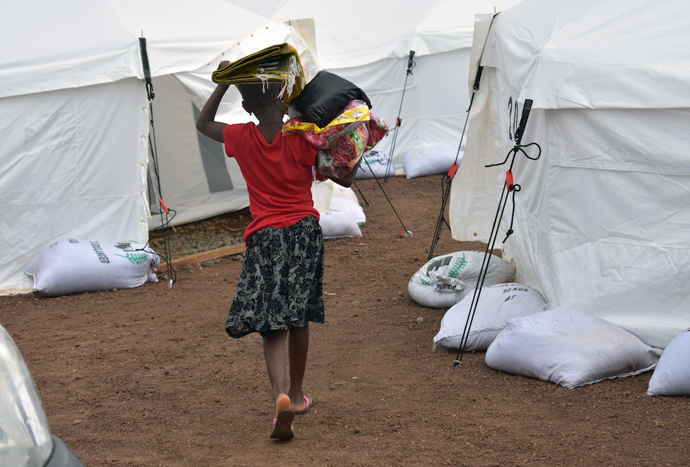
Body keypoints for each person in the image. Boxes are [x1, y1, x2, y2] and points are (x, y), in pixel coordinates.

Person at [196, 59, 359, 440]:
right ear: (285, 99)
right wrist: (352, 140)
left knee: (273, 322)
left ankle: (279, 396)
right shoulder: (303, 137)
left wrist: (223, 82)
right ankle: (299, 395)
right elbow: (346, 177)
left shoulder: (241, 136)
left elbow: (203, 124)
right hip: (303, 232)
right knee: (298, 314)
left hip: (265, 236)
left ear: (248, 106)